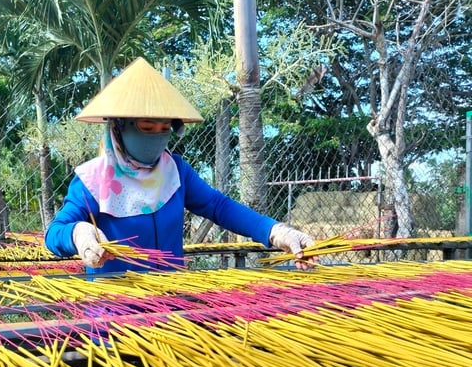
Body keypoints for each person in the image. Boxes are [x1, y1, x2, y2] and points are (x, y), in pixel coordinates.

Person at [45, 57, 315, 273]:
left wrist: (273, 231)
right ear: (118, 128)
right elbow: (54, 234)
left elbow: (218, 206)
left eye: (164, 128)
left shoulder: (175, 171)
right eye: (147, 127)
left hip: (172, 312)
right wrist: (79, 234)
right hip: (114, 319)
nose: (157, 136)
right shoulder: (93, 180)